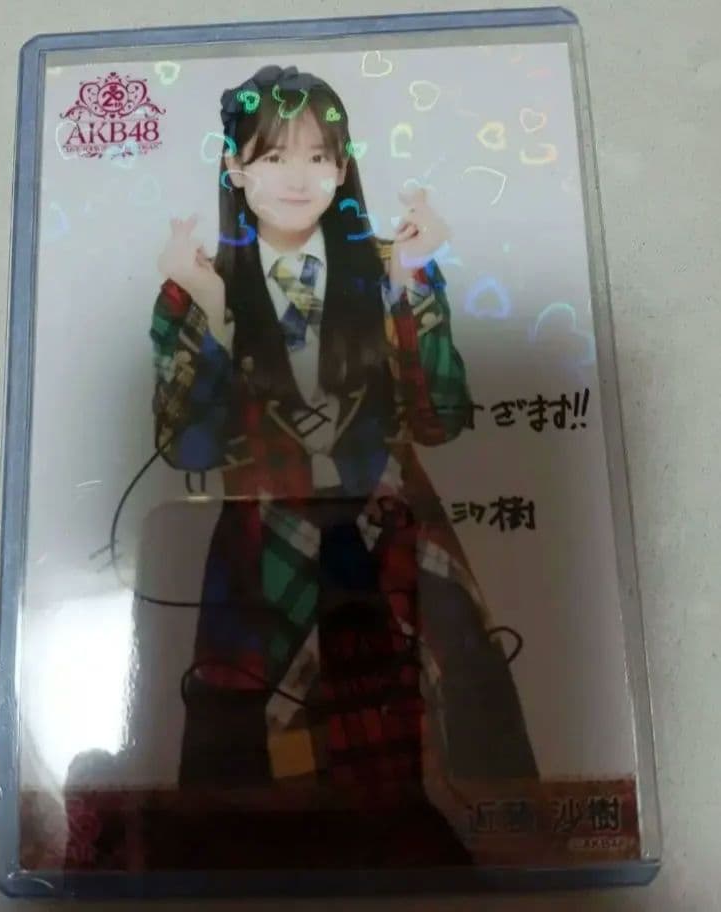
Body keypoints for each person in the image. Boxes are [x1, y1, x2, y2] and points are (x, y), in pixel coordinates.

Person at [148, 64, 536, 867]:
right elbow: (188, 450)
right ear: (235, 168)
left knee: (461, 686)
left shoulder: (392, 263)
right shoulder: (198, 285)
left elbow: (442, 422)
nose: (299, 177)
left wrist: (414, 283)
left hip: (391, 520)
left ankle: (502, 864)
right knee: (240, 735)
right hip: (263, 534)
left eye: (319, 156)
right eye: (274, 156)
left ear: (343, 166)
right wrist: (214, 318)